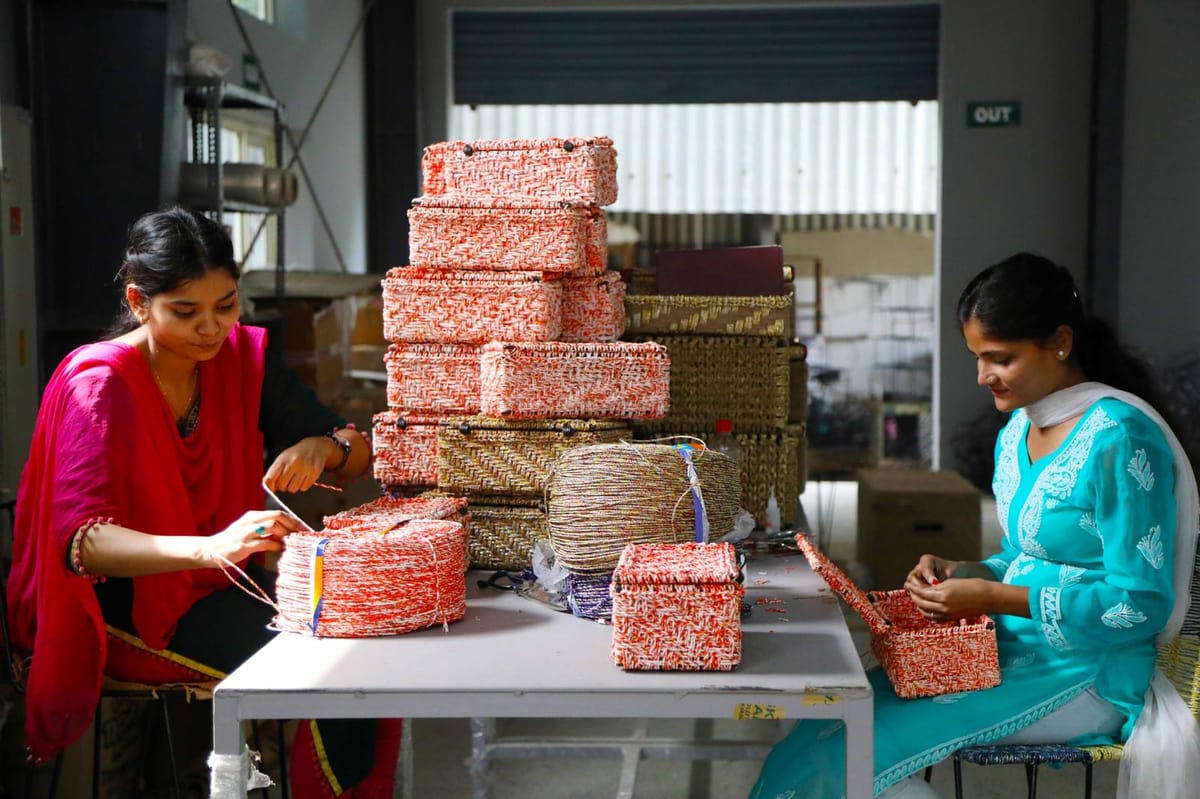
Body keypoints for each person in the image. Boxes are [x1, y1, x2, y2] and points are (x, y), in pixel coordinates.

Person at [751, 252, 1200, 799]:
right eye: (977, 357)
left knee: (844, 754)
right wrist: (967, 570)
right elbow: (1024, 555)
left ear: (1060, 343)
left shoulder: (1120, 439)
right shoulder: (1016, 431)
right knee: (824, 731)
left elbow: (1139, 604)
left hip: (1087, 671)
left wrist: (991, 594)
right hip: (1001, 650)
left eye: (1000, 358)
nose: (983, 375)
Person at [6, 207, 399, 797]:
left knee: (370, 644)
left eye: (227, 305)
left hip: (219, 584)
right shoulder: (101, 384)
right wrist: (211, 547)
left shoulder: (240, 359)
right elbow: (84, 544)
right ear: (139, 302)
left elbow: (357, 447)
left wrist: (321, 447)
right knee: (336, 673)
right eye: (186, 312)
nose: (212, 328)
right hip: (127, 608)